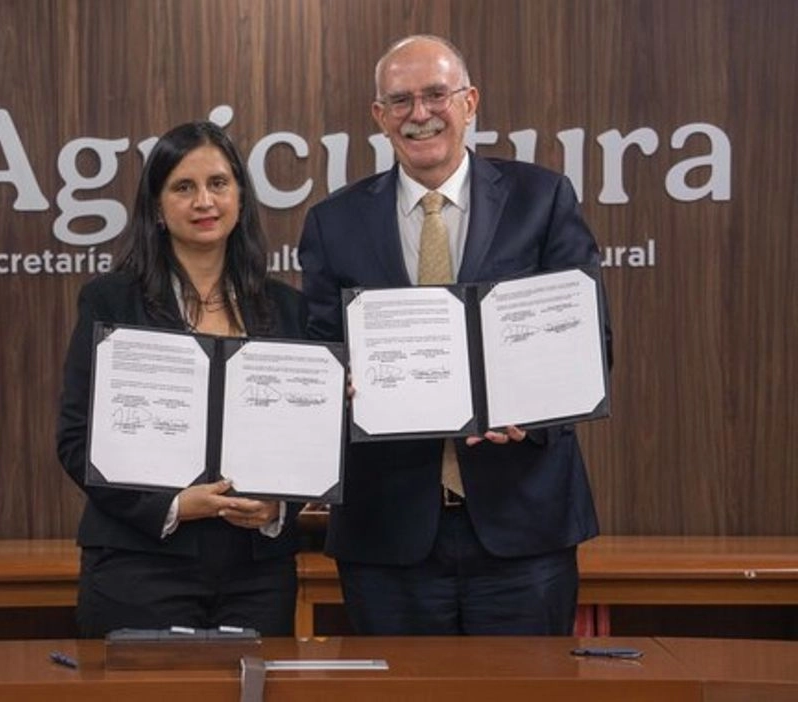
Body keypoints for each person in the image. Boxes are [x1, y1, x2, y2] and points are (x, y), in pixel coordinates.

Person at [298, 34, 612, 635]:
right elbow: (318, 352)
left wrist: (538, 406)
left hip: (525, 524)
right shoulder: (334, 223)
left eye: (436, 94)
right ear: (379, 117)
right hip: (386, 533)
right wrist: (333, 386)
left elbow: (589, 341)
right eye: (400, 101)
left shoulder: (541, 200)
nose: (420, 114)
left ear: (470, 102)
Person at [56, 121, 308, 638]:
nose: (204, 201)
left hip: (256, 570)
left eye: (218, 183)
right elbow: (76, 438)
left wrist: (279, 505)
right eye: (183, 187)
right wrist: (171, 506)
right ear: (156, 207)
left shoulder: (287, 309)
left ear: (240, 195)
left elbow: (311, 438)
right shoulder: (111, 302)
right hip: (140, 561)